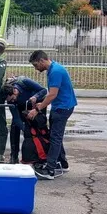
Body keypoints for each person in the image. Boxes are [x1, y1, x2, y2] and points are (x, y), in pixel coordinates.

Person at [26, 50, 77, 180]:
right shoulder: (53, 69)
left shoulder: (55, 71)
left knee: (55, 138)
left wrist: (38, 109)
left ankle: (50, 169)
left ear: (42, 61)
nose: (36, 69)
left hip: (62, 108)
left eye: (36, 65)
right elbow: (51, 94)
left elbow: (52, 94)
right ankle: (62, 163)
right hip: (60, 106)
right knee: (55, 135)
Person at [0, 76, 48, 164]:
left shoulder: (24, 82)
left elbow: (44, 90)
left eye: (12, 98)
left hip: (36, 103)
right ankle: (14, 156)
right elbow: (16, 117)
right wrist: (25, 129)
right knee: (15, 126)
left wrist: (36, 97)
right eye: (9, 101)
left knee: (38, 129)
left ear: (14, 91)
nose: (12, 101)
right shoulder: (11, 101)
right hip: (22, 105)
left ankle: (41, 155)